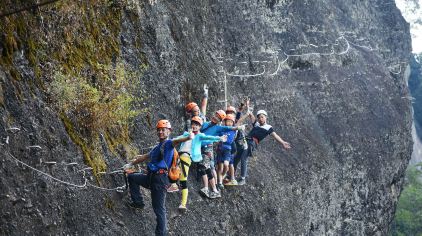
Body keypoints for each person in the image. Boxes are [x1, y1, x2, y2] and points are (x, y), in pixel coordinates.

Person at [123, 120, 192, 236]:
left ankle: (162, 234)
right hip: (151, 178)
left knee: (159, 209)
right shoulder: (157, 147)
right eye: (159, 130)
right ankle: (138, 203)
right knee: (132, 177)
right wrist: (131, 164)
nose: (160, 132)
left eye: (163, 130)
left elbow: (177, 140)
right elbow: (145, 157)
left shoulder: (169, 143)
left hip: (160, 180)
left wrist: (187, 137)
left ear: (168, 131)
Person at [175, 116, 227, 211]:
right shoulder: (187, 133)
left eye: (197, 125)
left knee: (184, 180)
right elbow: (176, 139)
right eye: (193, 124)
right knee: (174, 174)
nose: (194, 126)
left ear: (200, 127)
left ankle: (183, 203)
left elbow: (208, 137)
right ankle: (173, 185)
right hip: (179, 157)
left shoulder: (199, 135)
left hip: (187, 158)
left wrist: (219, 138)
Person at [234, 109, 291, 185]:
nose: (260, 119)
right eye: (259, 117)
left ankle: (242, 178)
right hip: (246, 140)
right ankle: (231, 175)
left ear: (265, 117)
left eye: (262, 117)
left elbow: (275, 135)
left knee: (243, 158)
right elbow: (251, 115)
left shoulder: (268, 127)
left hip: (252, 143)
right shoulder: (257, 124)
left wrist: (283, 142)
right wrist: (248, 106)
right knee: (236, 157)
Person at [199, 110, 245, 198]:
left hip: (207, 148)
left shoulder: (218, 128)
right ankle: (214, 189)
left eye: (218, 118)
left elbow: (229, 128)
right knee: (207, 167)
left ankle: (211, 189)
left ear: (220, 121)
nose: (215, 118)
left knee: (206, 168)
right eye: (215, 115)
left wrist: (238, 128)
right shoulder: (205, 124)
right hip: (200, 147)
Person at [216, 114, 237, 189]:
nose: (229, 123)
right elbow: (217, 133)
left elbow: (238, 125)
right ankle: (220, 182)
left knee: (226, 164)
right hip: (220, 148)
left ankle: (223, 175)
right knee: (220, 167)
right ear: (225, 122)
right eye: (228, 121)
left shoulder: (233, 130)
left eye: (231, 122)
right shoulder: (221, 129)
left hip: (228, 149)